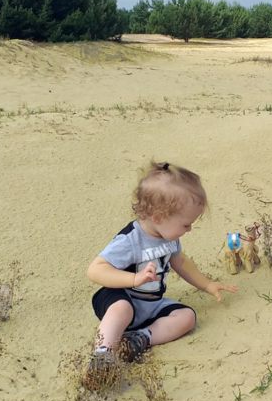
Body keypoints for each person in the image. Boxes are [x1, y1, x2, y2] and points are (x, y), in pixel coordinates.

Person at [84, 161, 237, 385]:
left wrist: (207, 284)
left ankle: (139, 339)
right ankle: (102, 357)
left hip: (150, 304)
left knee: (187, 317)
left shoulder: (169, 238)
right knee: (121, 310)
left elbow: (180, 262)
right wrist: (133, 279)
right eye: (185, 224)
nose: (189, 229)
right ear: (158, 217)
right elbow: (95, 270)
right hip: (120, 297)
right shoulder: (130, 240)